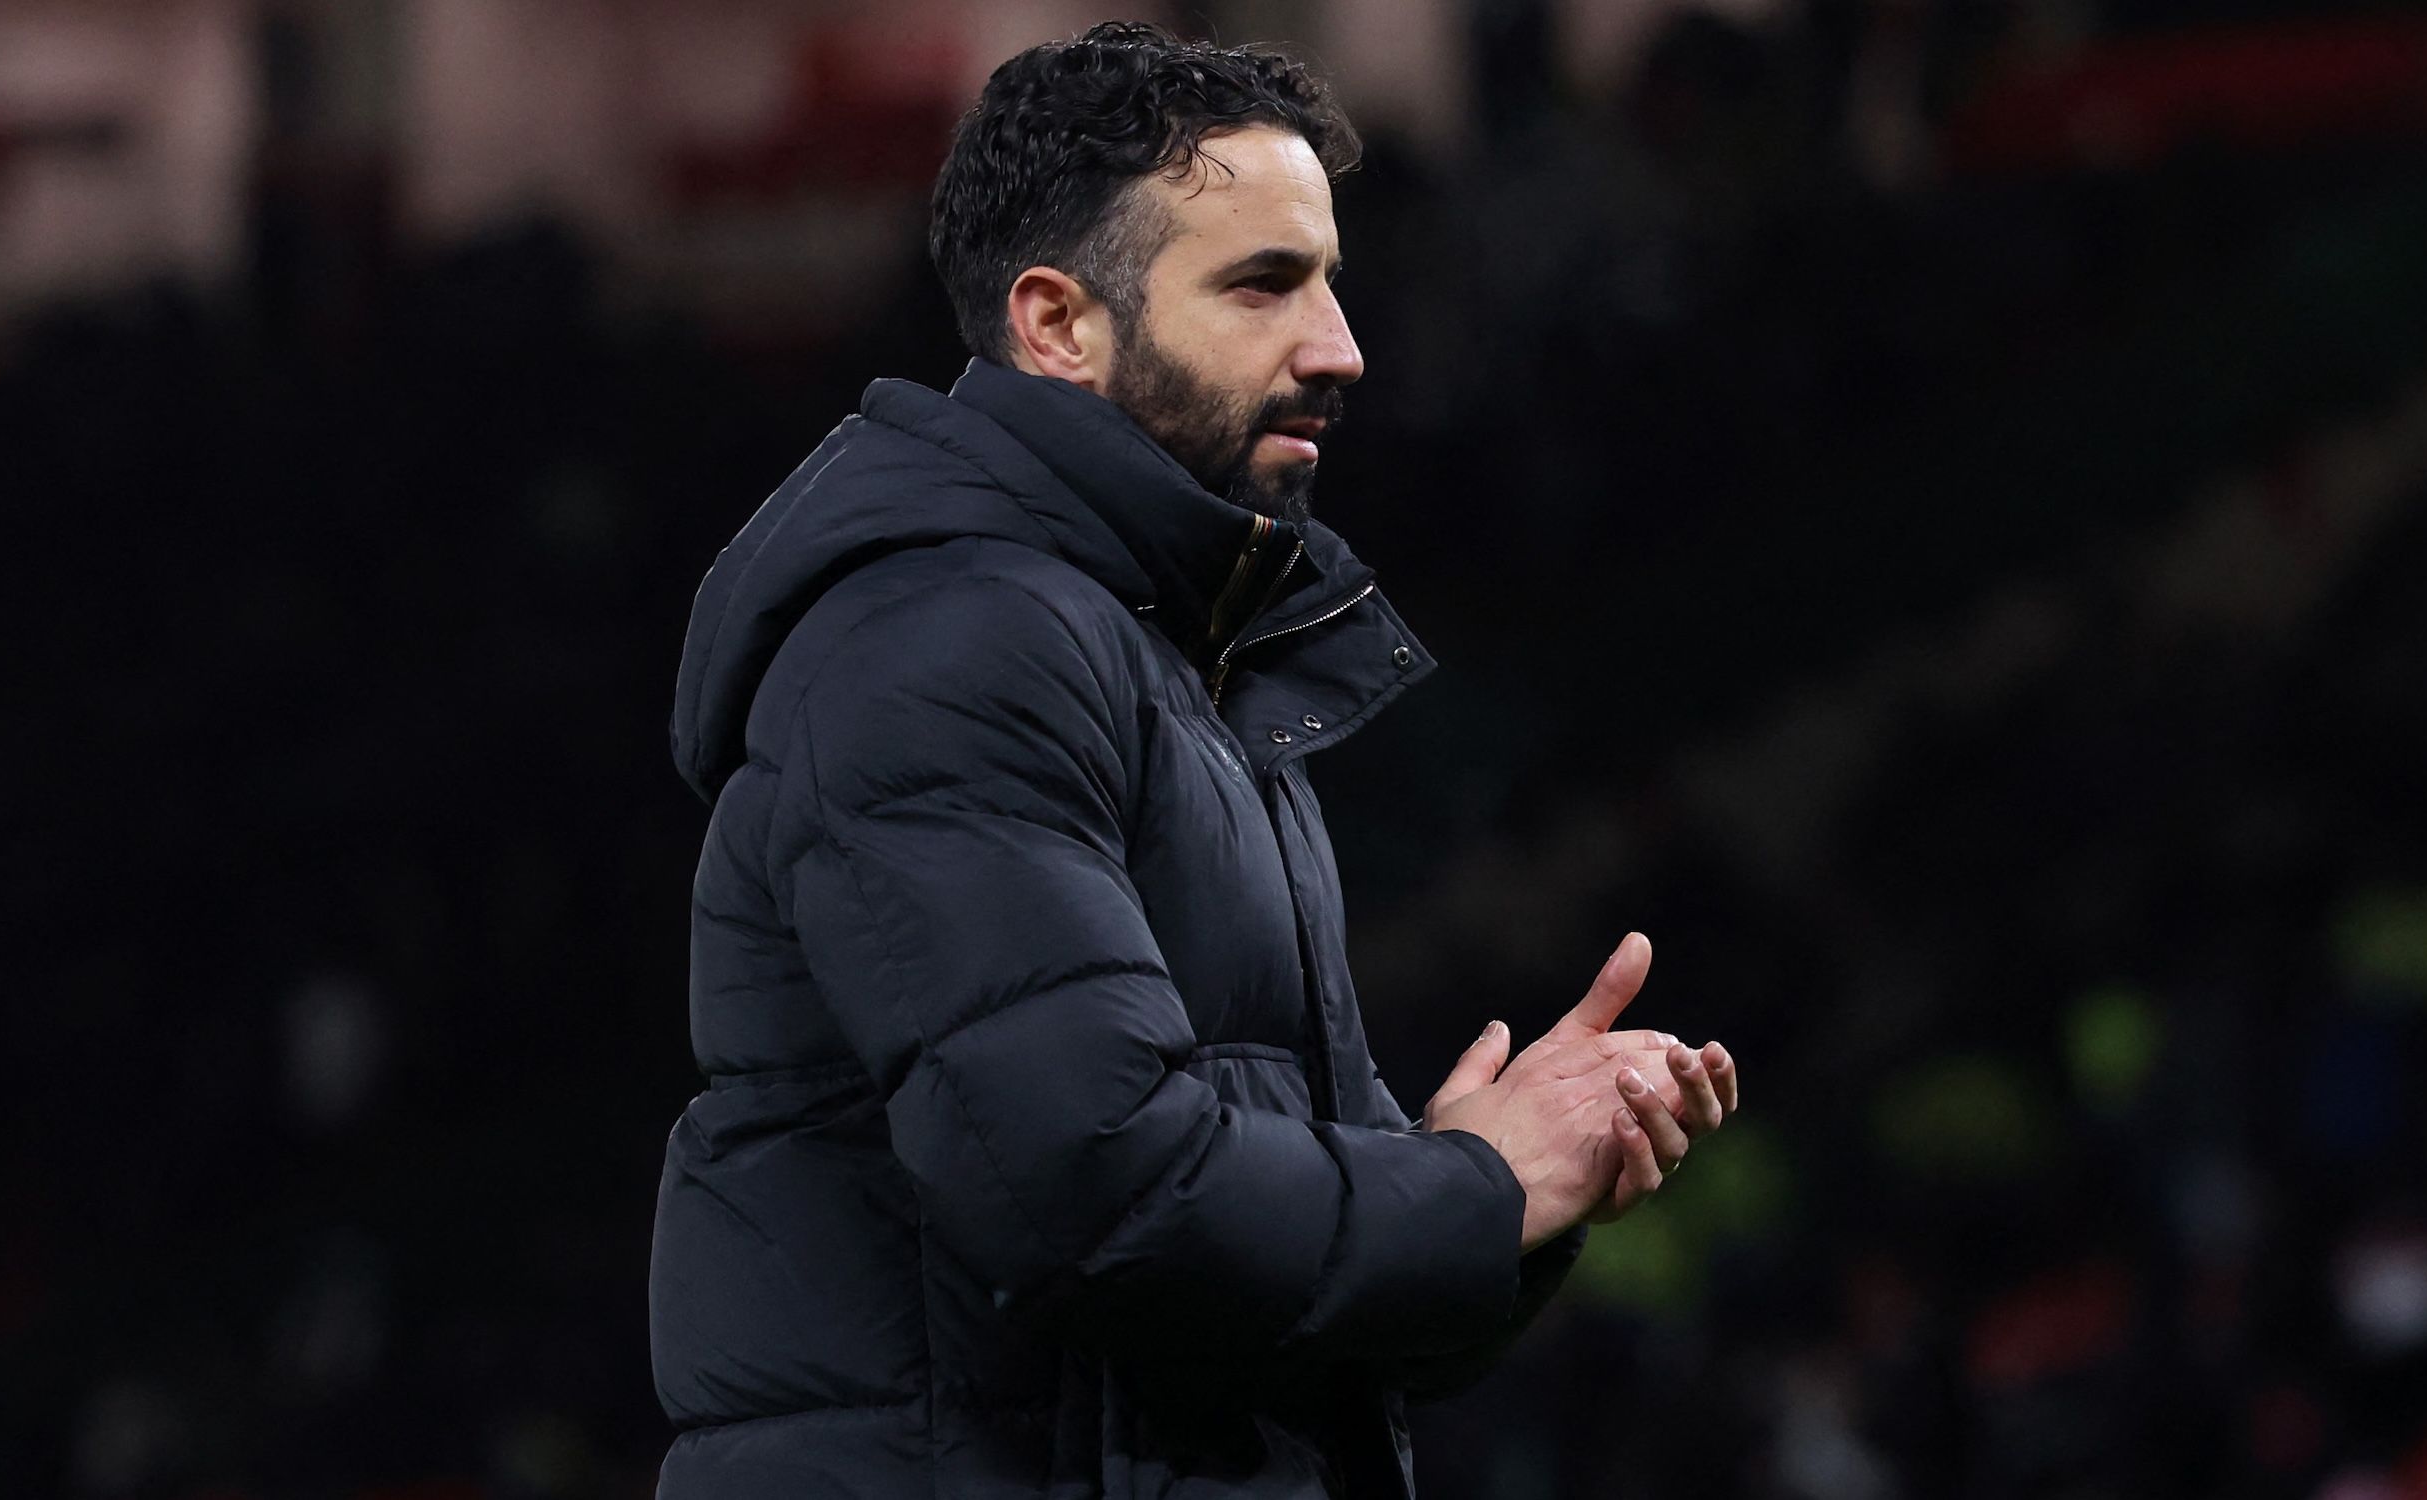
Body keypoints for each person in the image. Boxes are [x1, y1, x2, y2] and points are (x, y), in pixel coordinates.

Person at [651, 23, 1738, 1498]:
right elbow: (1102, 1194)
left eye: (1330, 280)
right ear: (1059, 324)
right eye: (1262, 284)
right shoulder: (953, 640)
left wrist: (1496, 1181)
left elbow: (1267, 1300)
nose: (1339, 347)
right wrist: (1480, 1181)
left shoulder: (1166, 657)